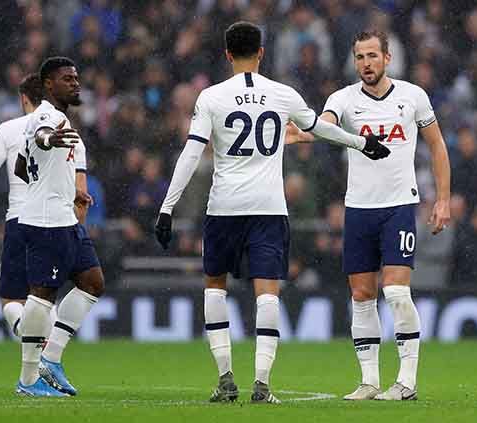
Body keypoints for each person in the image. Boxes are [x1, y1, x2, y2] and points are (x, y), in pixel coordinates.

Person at [154, 21, 390, 405]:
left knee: (215, 286)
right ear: (261, 52)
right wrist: (362, 142)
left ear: (227, 54)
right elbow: (321, 130)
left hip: (224, 208)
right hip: (268, 208)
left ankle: (226, 378)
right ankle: (262, 384)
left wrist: (167, 208)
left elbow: (191, 153)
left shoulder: (211, 97)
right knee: (268, 293)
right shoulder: (283, 94)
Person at [286, 30, 452, 401]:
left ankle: (407, 380)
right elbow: (325, 126)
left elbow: (438, 146)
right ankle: (369, 381)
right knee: (361, 295)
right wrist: (305, 135)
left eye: (373, 56)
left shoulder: (413, 97)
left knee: (395, 289)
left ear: (387, 58)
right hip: (358, 208)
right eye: (360, 57)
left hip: (398, 206)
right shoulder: (342, 99)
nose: (366, 63)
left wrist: (443, 200)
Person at [0, 73, 88, 340]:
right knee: (46, 294)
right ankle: (47, 357)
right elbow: (80, 194)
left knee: (12, 301)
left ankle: (28, 340)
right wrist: (78, 233)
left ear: (24, 98)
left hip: (20, 221)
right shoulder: (70, 134)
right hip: (58, 223)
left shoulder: (8, 129)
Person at [15, 57, 103, 397]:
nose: (76, 83)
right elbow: (41, 138)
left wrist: (68, 188)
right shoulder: (47, 117)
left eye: (77, 77)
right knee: (43, 295)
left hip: (63, 214)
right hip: (47, 221)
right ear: (48, 84)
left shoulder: (55, 116)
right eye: (67, 79)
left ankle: (50, 359)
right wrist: (49, 141)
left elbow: (23, 168)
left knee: (92, 282)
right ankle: (28, 379)